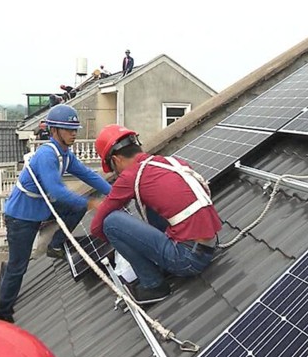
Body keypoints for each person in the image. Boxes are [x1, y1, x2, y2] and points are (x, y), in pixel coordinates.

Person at [0, 105, 111, 323]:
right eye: (68, 129)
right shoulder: (47, 155)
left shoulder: (65, 154)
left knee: (75, 207)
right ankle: (2, 313)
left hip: (40, 208)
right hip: (21, 216)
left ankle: (55, 245)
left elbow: (88, 175)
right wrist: (90, 203)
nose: (74, 133)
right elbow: (56, 190)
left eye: (74, 129)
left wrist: (115, 194)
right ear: (54, 131)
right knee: (18, 266)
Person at [90, 125, 221, 304]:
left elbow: (97, 227)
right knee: (146, 200)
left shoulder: (131, 176)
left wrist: (129, 245)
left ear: (116, 160)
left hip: (187, 259)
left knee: (111, 222)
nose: (116, 174)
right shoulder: (172, 162)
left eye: (113, 169)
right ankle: (164, 261)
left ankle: (153, 286)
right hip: (209, 245)